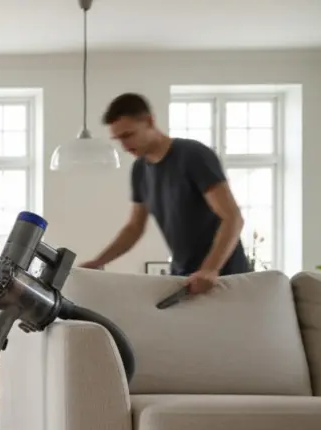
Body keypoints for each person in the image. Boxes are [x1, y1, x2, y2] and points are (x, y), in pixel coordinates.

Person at [81, 93, 250, 294]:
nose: (124, 146)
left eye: (128, 135)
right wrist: (98, 262)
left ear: (150, 122)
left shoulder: (193, 155)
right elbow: (134, 228)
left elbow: (232, 218)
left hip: (224, 278)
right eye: (118, 139)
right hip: (184, 277)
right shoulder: (140, 170)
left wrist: (210, 270)